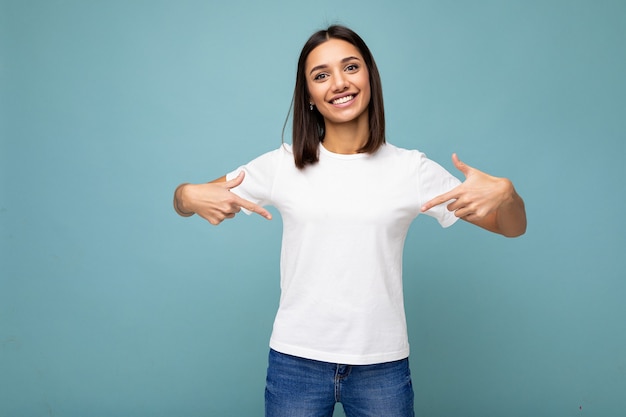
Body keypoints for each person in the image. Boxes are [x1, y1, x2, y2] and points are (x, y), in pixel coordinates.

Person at [173, 25, 526, 417]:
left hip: (382, 367)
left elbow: (510, 226)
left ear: (369, 76)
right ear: (308, 95)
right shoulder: (282, 166)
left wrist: (509, 195)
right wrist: (186, 194)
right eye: (321, 75)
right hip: (296, 363)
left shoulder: (410, 169)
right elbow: (190, 200)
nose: (339, 83)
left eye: (351, 67)